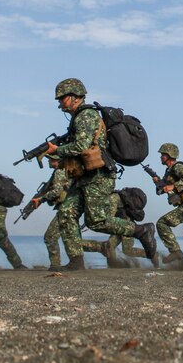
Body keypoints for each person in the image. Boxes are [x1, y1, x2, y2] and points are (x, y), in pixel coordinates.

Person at [43, 78, 157, 270]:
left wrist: (57, 151)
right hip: (86, 177)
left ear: (74, 97)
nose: (59, 102)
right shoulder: (78, 118)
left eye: (62, 98)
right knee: (66, 213)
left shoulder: (86, 115)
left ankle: (141, 230)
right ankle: (76, 262)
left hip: (99, 176)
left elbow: (82, 146)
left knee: (96, 221)